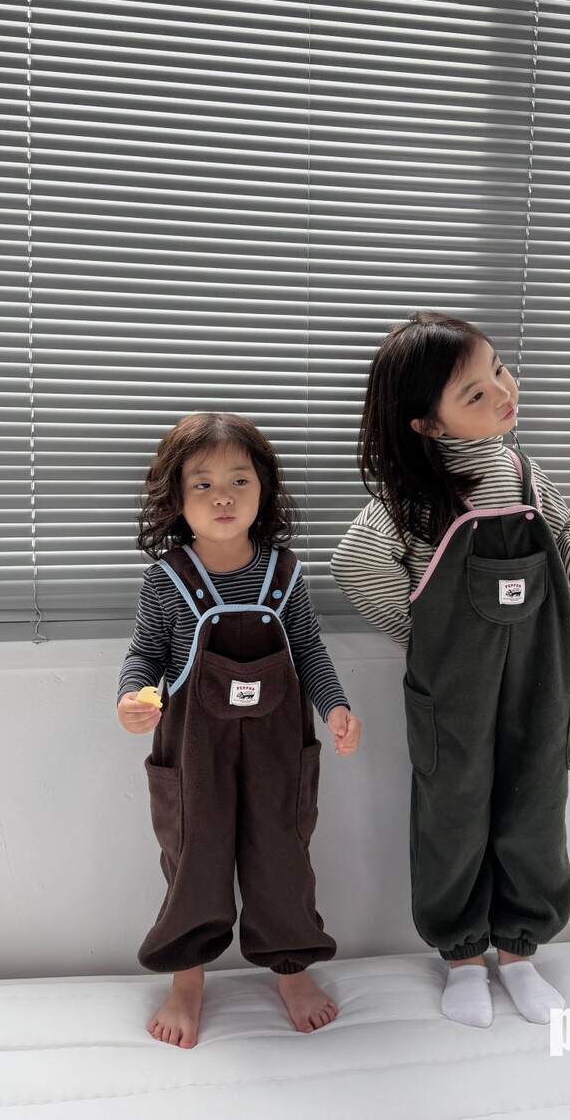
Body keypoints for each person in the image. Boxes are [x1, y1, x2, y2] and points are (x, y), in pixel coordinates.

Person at [330, 311, 570, 1029]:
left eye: (499, 370)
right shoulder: (413, 499)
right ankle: (460, 956)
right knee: (452, 816)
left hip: (539, 680)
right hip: (453, 692)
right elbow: (354, 563)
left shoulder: (530, 478)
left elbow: (565, 567)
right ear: (428, 424)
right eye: (474, 393)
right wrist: (420, 634)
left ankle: (519, 953)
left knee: (535, 807)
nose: (502, 392)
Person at [117, 411, 361, 1049]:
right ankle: (187, 979)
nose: (222, 496)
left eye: (239, 481)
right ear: (176, 498)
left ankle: (292, 971)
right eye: (202, 484)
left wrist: (334, 707)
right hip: (193, 749)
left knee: (283, 856)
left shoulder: (286, 573)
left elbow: (309, 650)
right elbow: (145, 655)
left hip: (279, 748)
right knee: (193, 857)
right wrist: (131, 699)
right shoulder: (166, 579)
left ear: (264, 490)